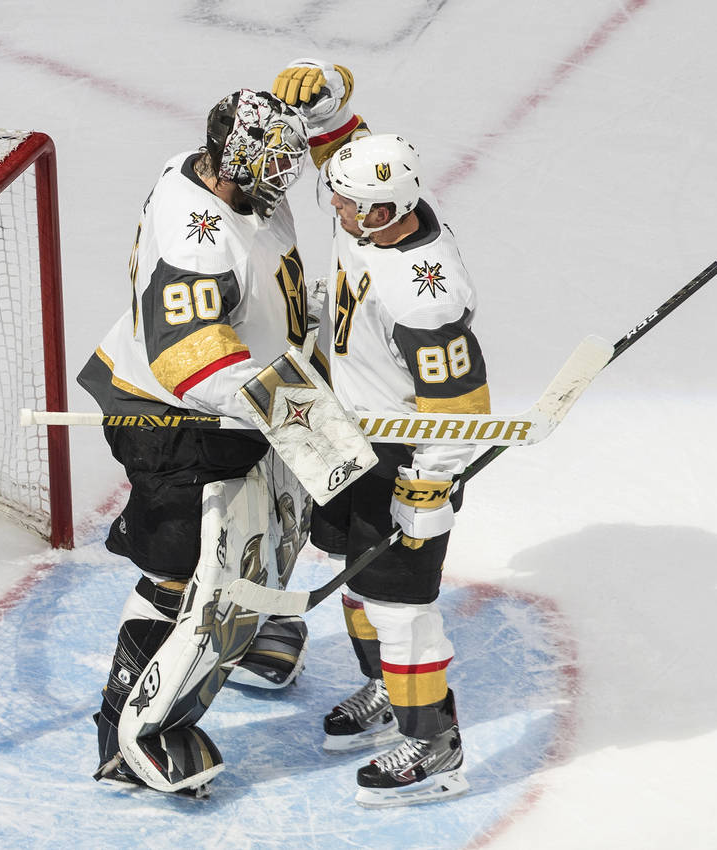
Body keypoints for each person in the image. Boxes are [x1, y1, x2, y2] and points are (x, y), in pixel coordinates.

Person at [76, 84, 361, 796]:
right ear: (229, 164)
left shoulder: (222, 174)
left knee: (272, 521)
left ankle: (250, 627)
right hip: (173, 424)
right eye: (273, 166)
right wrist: (295, 412)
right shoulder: (196, 239)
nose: (289, 178)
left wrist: (327, 108)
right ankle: (122, 733)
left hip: (255, 403)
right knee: (178, 567)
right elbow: (187, 353)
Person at [272, 60, 491, 808]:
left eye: (344, 199)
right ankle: (380, 688)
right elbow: (346, 155)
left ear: (380, 212)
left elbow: (461, 403)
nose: (329, 197)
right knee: (349, 568)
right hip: (342, 425)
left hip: (399, 454)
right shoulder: (374, 208)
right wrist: (330, 112)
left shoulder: (425, 294)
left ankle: (434, 743)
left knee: (401, 604)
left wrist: (428, 487)